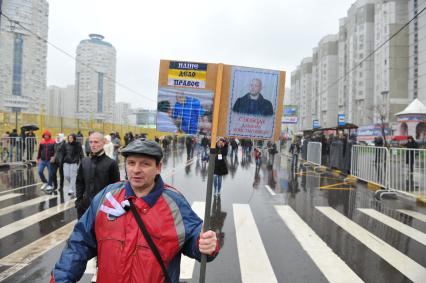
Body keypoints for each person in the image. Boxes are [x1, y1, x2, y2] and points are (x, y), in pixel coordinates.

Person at [51, 139, 219, 282]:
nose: (136, 170)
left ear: (158, 167)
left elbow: (195, 238)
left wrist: (204, 243)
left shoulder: (174, 203)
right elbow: (79, 243)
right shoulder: (107, 197)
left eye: (145, 164)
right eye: (131, 163)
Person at [75, 132, 120, 219]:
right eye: (91, 142)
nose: (93, 145)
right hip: (85, 206)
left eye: (96, 142)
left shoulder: (111, 163)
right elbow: (79, 182)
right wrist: (79, 201)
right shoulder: (84, 161)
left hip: (103, 207)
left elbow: (116, 187)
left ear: (103, 143)